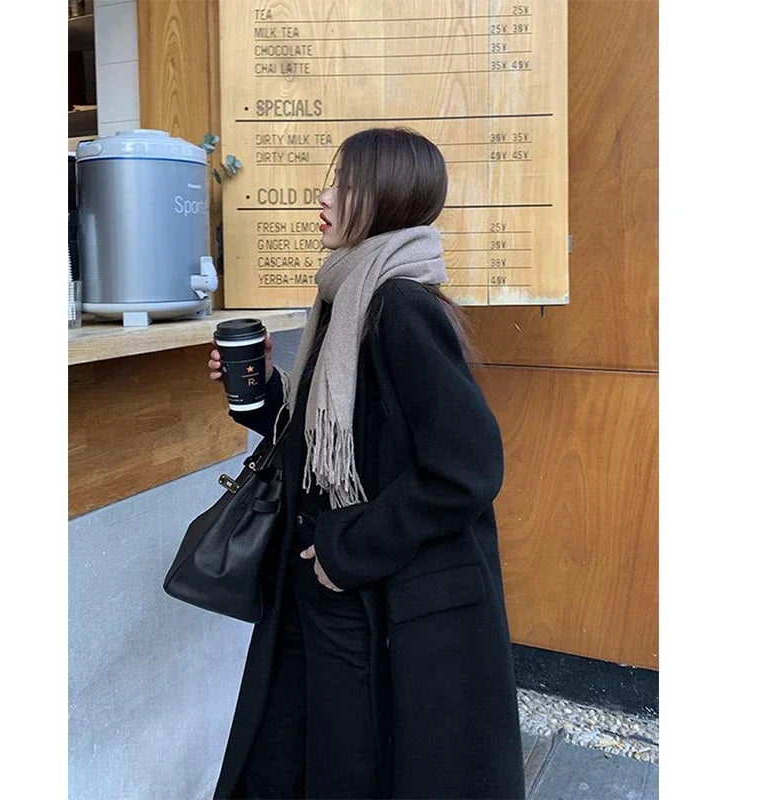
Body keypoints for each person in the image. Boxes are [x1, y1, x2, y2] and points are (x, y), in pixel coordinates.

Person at [207, 127, 526, 800]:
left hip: (365, 593)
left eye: (344, 185)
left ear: (384, 199)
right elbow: (331, 447)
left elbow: (467, 468)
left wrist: (345, 554)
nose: (324, 198)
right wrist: (264, 390)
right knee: (287, 761)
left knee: (346, 772)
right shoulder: (344, 298)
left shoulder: (397, 307)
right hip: (324, 586)